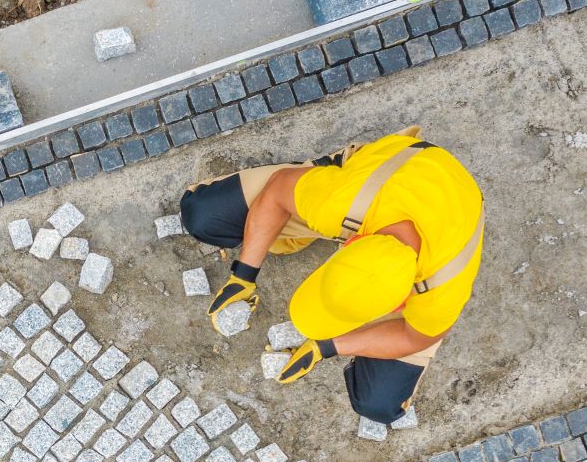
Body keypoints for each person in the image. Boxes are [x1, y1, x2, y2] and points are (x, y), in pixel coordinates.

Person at [178, 127, 484, 425]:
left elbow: (415, 336)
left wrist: (326, 347)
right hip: (394, 169)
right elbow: (278, 190)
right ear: (349, 241)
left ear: (400, 303)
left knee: (379, 404)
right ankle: (307, 200)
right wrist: (243, 274)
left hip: (455, 207)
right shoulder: (343, 203)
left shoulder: (441, 290)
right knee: (202, 214)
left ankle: (292, 230)